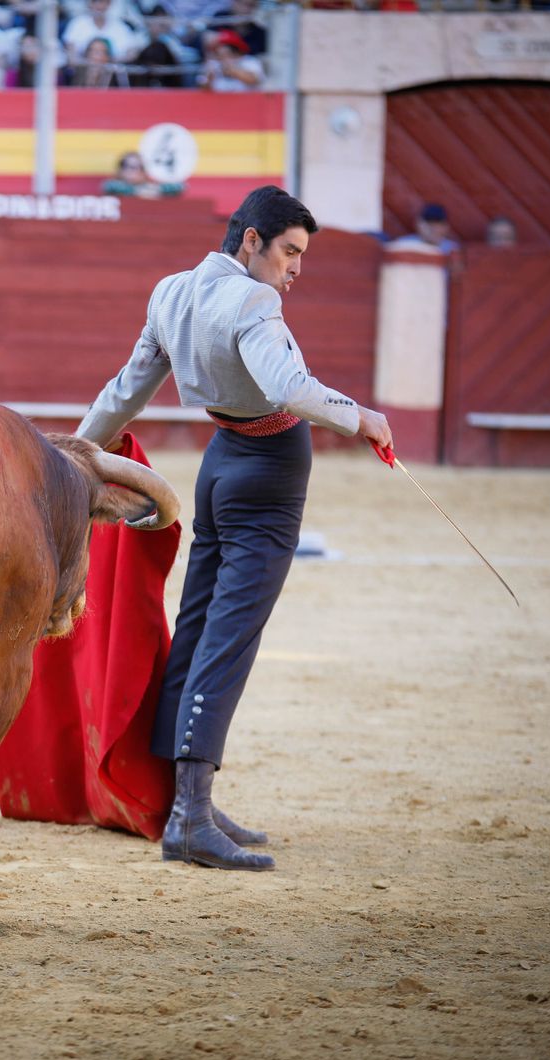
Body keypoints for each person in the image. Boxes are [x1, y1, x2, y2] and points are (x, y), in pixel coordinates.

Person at [74, 185, 394, 871]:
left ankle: (185, 802)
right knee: (229, 635)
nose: (295, 268)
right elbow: (288, 386)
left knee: (198, 625)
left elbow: (124, 392)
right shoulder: (254, 301)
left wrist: (73, 453)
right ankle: (189, 814)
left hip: (219, 469)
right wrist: (358, 415)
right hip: (267, 479)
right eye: (288, 251)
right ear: (250, 240)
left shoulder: (170, 292)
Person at [61, 0, 140, 65]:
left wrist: (108, 61)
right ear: (89, 3)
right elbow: (70, 51)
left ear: (109, 4)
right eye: (95, 1)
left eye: (102, 2)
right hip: (82, 73)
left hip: (113, 74)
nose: (99, 6)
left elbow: (132, 53)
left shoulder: (120, 26)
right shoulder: (77, 23)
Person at [102, 151, 182, 198]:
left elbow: (179, 187)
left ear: (143, 171)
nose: (131, 171)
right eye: (127, 166)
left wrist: (155, 189)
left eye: (136, 167)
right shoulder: (113, 185)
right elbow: (109, 186)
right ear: (120, 169)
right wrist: (139, 191)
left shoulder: (151, 186)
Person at [388, 202, 459, 254]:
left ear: (446, 227)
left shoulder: (452, 250)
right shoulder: (404, 245)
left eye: (438, 225)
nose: (433, 229)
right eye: (429, 224)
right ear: (418, 224)